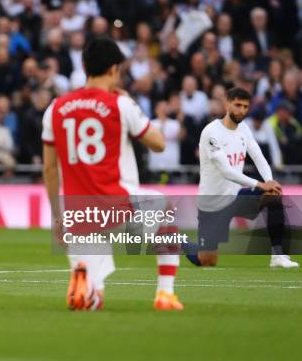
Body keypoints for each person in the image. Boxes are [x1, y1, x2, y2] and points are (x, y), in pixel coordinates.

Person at [42, 36, 183, 311]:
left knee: (94, 298)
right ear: (114, 69)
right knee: (166, 209)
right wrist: (132, 104)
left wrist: (57, 215)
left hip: (79, 214)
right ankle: (165, 295)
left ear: (84, 67)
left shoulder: (56, 108)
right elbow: (158, 143)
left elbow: (49, 168)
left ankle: (87, 287)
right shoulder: (120, 104)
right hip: (120, 205)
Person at [184, 88, 298, 268]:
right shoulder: (211, 132)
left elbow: (258, 156)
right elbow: (226, 171)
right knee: (206, 261)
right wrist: (260, 184)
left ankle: (278, 255)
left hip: (236, 196)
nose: (242, 110)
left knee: (273, 196)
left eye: (245, 106)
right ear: (227, 104)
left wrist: (270, 181)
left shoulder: (244, 128)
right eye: (237, 105)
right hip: (212, 203)